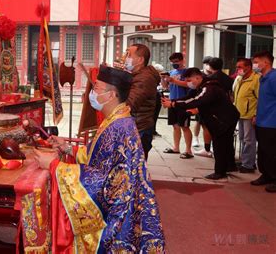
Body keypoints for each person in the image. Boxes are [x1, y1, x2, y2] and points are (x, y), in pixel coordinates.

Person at [34, 65, 165, 253]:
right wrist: (68, 148)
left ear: (111, 95)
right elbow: (99, 156)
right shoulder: (116, 118)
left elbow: (106, 183)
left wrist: (55, 166)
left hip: (117, 217)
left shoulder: (119, 127)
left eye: (96, 88)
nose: (91, 93)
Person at [162, 68, 239, 181]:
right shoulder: (201, 87)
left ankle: (220, 172)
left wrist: (173, 104)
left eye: (189, 80)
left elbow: (197, 101)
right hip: (223, 118)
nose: (188, 83)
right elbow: (188, 97)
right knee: (226, 143)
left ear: (198, 78)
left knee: (220, 145)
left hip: (224, 119)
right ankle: (229, 166)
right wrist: (173, 101)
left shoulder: (209, 88)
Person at [124, 44, 161, 160]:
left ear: (140, 60)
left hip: (139, 128)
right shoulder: (137, 75)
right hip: (137, 126)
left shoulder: (144, 78)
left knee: (135, 168)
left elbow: (129, 104)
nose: (125, 57)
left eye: (128, 55)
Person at [251, 51, 276, 193]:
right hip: (262, 120)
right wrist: (256, 115)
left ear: (265, 62)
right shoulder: (262, 78)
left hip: (272, 122)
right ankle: (265, 174)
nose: (255, 65)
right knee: (263, 150)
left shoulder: (274, 78)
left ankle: (274, 178)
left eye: (256, 62)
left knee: (271, 151)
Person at [161, 52, 193, 159]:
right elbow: (166, 87)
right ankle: (176, 148)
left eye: (177, 61)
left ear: (182, 60)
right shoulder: (171, 72)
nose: (175, 63)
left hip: (183, 103)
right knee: (175, 126)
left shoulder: (187, 72)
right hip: (172, 101)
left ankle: (188, 150)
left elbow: (189, 84)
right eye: (173, 62)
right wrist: (163, 79)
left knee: (185, 126)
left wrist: (174, 80)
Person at [233, 58, 259, 173]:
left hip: (250, 114)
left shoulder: (256, 79)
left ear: (248, 67)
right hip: (239, 113)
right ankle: (246, 161)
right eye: (237, 67)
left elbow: (260, 98)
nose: (237, 69)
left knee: (249, 140)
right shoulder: (239, 78)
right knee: (242, 138)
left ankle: (248, 164)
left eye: (240, 67)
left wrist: (256, 115)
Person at [192, 56, 213, 151]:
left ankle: (208, 146)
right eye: (206, 64)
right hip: (200, 101)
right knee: (198, 121)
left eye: (209, 64)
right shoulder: (200, 74)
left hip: (208, 104)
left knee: (206, 125)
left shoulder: (214, 75)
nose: (208, 66)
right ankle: (195, 138)